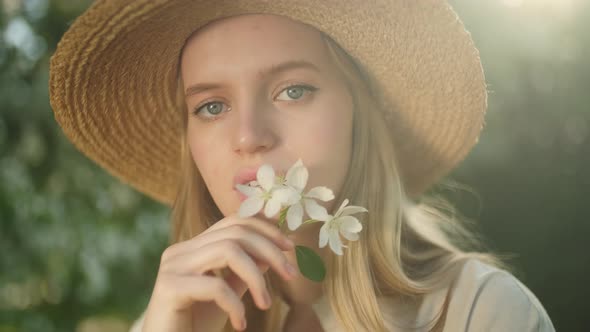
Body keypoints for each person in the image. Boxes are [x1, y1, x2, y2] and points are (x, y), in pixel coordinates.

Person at [48, 1, 555, 331]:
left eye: (293, 91)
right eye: (211, 106)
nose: (249, 137)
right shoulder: (170, 320)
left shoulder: (483, 313)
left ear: (362, 112)